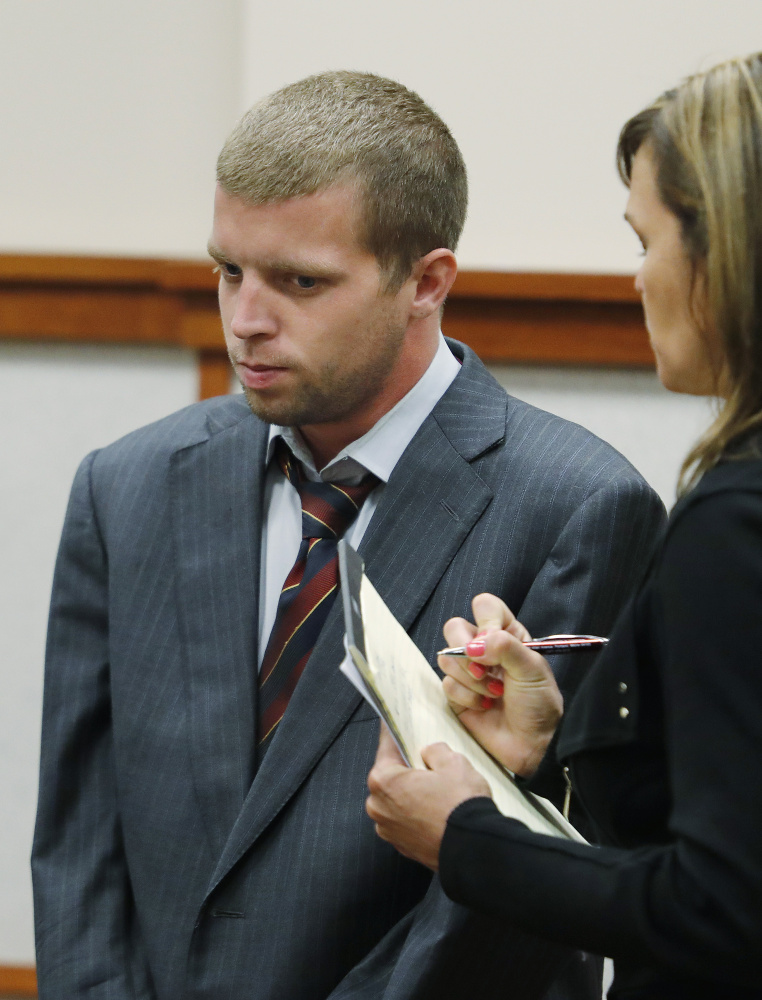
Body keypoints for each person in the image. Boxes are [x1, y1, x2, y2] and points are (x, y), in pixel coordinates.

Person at [31, 71, 664, 1000]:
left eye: (300, 282)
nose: (246, 320)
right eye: (229, 271)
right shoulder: (124, 486)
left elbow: (511, 898)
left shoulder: (581, 504)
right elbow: (79, 838)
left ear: (427, 282)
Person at [366, 53, 762, 1000]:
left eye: (645, 241)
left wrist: (465, 838)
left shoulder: (735, 524)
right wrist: (554, 746)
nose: (638, 281)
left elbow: (721, 906)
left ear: (726, 250)